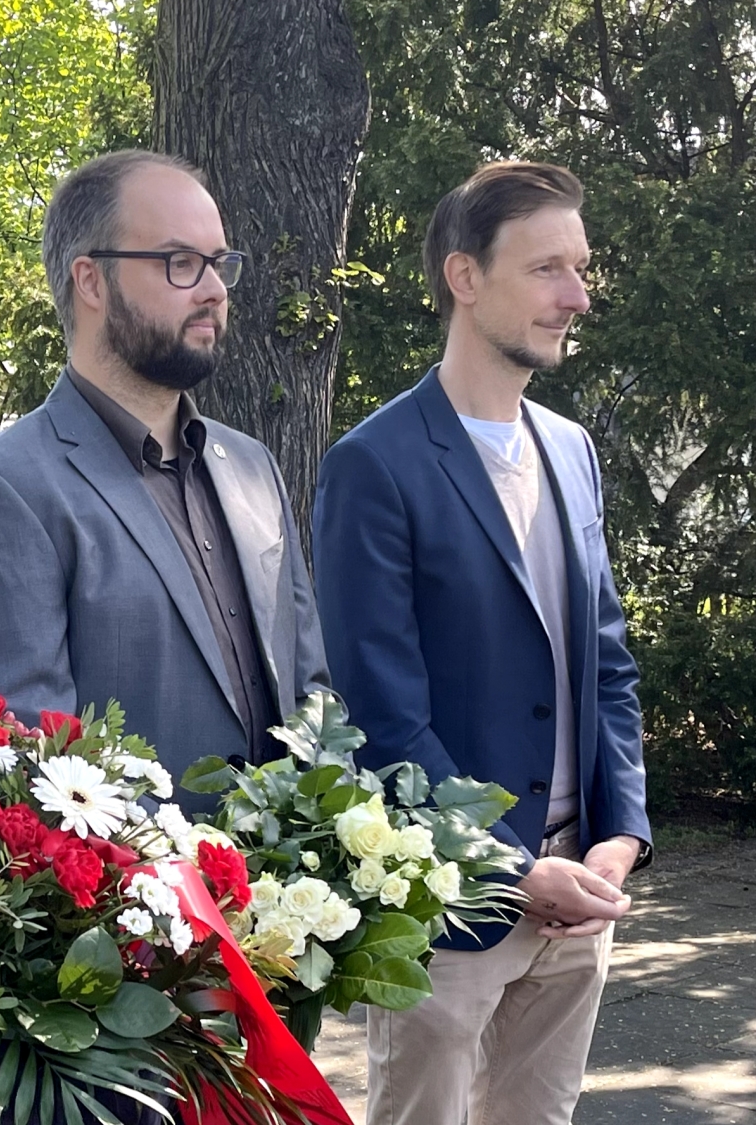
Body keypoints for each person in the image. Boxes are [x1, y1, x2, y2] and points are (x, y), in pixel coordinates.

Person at [311, 162, 653, 1125]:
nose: (577, 296)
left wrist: (620, 835)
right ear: (464, 276)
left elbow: (608, 666)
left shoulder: (573, 449)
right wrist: (510, 868)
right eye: (549, 268)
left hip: (585, 891)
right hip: (449, 909)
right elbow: (382, 714)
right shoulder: (373, 465)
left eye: (580, 268)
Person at [0, 149, 329, 811]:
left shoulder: (254, 467)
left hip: (295, 902)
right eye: (179, 262)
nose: (214, 289)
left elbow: (314, 701)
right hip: (132, 905)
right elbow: (23, 769)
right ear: (91, 280)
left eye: (219, 263)